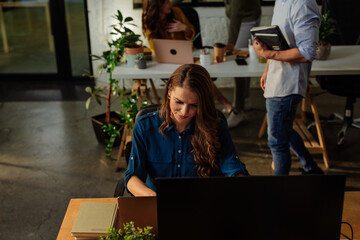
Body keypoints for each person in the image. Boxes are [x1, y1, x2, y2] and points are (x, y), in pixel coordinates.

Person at [124, 64, 249, 196]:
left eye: (194, 105)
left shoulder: (216, 125)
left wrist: (242, 186)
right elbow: (133, 176)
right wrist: (153, 197)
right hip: (156, 202)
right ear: (169, 92)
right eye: (179, 102)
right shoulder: (145, 126)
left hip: (201, 202)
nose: (184, 112)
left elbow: (232, 167)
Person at [253, 0, 323, 175]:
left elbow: (307, 52)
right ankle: (311, 168)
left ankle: (279, 192)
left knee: (277, 142)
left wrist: (267, 54)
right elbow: (277, 41)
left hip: (288, 85)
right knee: (285, 130)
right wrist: (267, 69)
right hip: (277, 79)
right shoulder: (281, 2)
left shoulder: (303, 4)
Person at [142, 0, 234, 114]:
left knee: (195, 76)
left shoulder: (177, 12)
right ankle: (220, 103)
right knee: (193, 79)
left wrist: (184, 28)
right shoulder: (149, 21)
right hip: (165, 62)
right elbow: (154, 48)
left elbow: (193, 36)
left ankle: (213, 107)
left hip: (187, 56)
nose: (170, 4)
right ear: (157, 5)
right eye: (166, 2)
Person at [224, 0, 262, 128]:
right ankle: (245, 100)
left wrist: (231, 43)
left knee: (238, 64)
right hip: (243, 14)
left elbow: (237, 10)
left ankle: (238, 111)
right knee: (244, 62)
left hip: (244, 19)